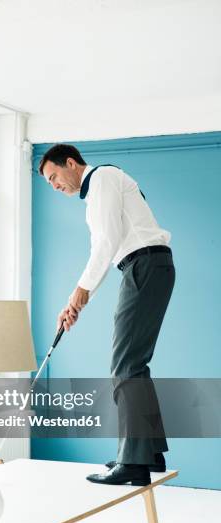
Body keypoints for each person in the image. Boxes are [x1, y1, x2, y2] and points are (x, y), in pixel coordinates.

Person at [39, 143, 175, 486]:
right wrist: (80, 300)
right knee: (134, 365)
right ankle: (148, 454)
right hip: (144, 266)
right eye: (49, 183)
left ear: (71, 163)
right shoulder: (99, 189)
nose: (54, 186)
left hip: (144, 264)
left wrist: (79, 293)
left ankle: (133, 462)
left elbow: (106, 242)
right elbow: (105, 247)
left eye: (54, 176)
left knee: (126, 365)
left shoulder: (101, 179)